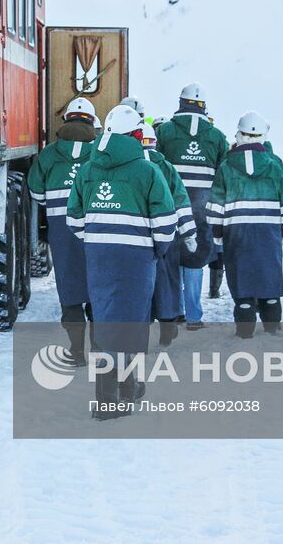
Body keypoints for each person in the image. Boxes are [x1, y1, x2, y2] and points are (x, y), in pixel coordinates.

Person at [66, 104, 180, 419]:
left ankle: (106, 397)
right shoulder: (148, 170)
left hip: (99, 257)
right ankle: (125, 393)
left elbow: (74, 219)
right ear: (135, 135)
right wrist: (156, 250)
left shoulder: (87, 170)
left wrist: (96, 241)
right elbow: (165, 222)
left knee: (104, 318)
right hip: (137, 258)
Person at [206, 111, 283, 337]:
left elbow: (216, 201)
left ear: (239, 134)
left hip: (236, 230)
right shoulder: (275, 164)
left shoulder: (226, 165)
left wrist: (217, 231)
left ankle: (245, 326)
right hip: (268, 229)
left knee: (241, 274)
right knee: (269, 272)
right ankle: (272, 323)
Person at [28, 97, 98, 364]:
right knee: (96, 286)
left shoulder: (48, 154)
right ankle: (99, 349)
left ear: (66, 120)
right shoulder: (100, 153)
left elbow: (35, 191)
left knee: (69, 289)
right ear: (92, 122)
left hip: (62, 231)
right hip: (95, 230)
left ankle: (77, 352)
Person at [154, 83, 229, 296]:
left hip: (171, 205)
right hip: (202, 208)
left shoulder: (165, 131)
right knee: (196, 257)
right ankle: (194, 312)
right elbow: (223, 176)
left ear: (181, 103)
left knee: (171, 254)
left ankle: (176, 310)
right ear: (204, 106)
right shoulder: (217, 136)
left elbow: (156, 167)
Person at [138, 120, 198, 341]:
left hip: (137, 237)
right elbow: (180, 201)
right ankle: (167, 329)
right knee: (167, 281)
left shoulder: (128, 167)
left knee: (139, 284)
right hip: (166, 236)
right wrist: (189, 233)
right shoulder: (167, 167)